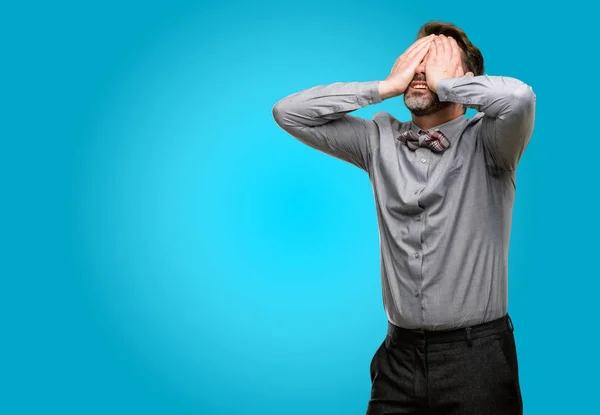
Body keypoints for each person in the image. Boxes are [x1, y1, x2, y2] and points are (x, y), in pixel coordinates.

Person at [272, 20, 535, 415]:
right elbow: (288, 112)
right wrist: (385, 87)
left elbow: (518, 98)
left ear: (464, 80)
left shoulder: (491, 142)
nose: (421, 72)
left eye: (436, 62)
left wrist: (448, 85)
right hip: (398, 356)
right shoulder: (376, 139)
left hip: (476, 356)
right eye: (416, 60)